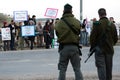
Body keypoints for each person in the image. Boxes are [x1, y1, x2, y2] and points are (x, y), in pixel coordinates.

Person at [55, 3, 83, 80]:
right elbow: (79, 31)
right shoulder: (76, 21)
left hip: (63, 48)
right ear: (71, 11)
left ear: (63, 11)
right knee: (77, 69)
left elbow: (57, 33)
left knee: (62, 69)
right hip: (74, 47)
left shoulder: (59, 23)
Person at [90, 8, 118, 80]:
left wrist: (93, 47)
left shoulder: (97, 24)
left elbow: (92, 38)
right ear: (106, 14)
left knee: (101, 68)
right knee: (109, 69)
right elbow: (115, 38)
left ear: (99, 15)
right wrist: (111, 44)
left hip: (99, 50)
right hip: (109, 50)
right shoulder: (112, 25)